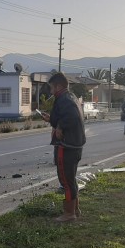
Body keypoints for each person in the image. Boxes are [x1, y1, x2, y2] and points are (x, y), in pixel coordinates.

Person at [40, 72, 86, 222]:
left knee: (65, 180)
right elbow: (66, 116)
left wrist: (60, 127)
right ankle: (75, 209)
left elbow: (71, 117)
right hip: (75, 145)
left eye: (52, 88)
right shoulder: (70, 97)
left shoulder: (64, 99)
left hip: (67, 146)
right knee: (70, 179)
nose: (51, 91)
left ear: (58, 86)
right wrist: (52, 120)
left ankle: (69, 213)